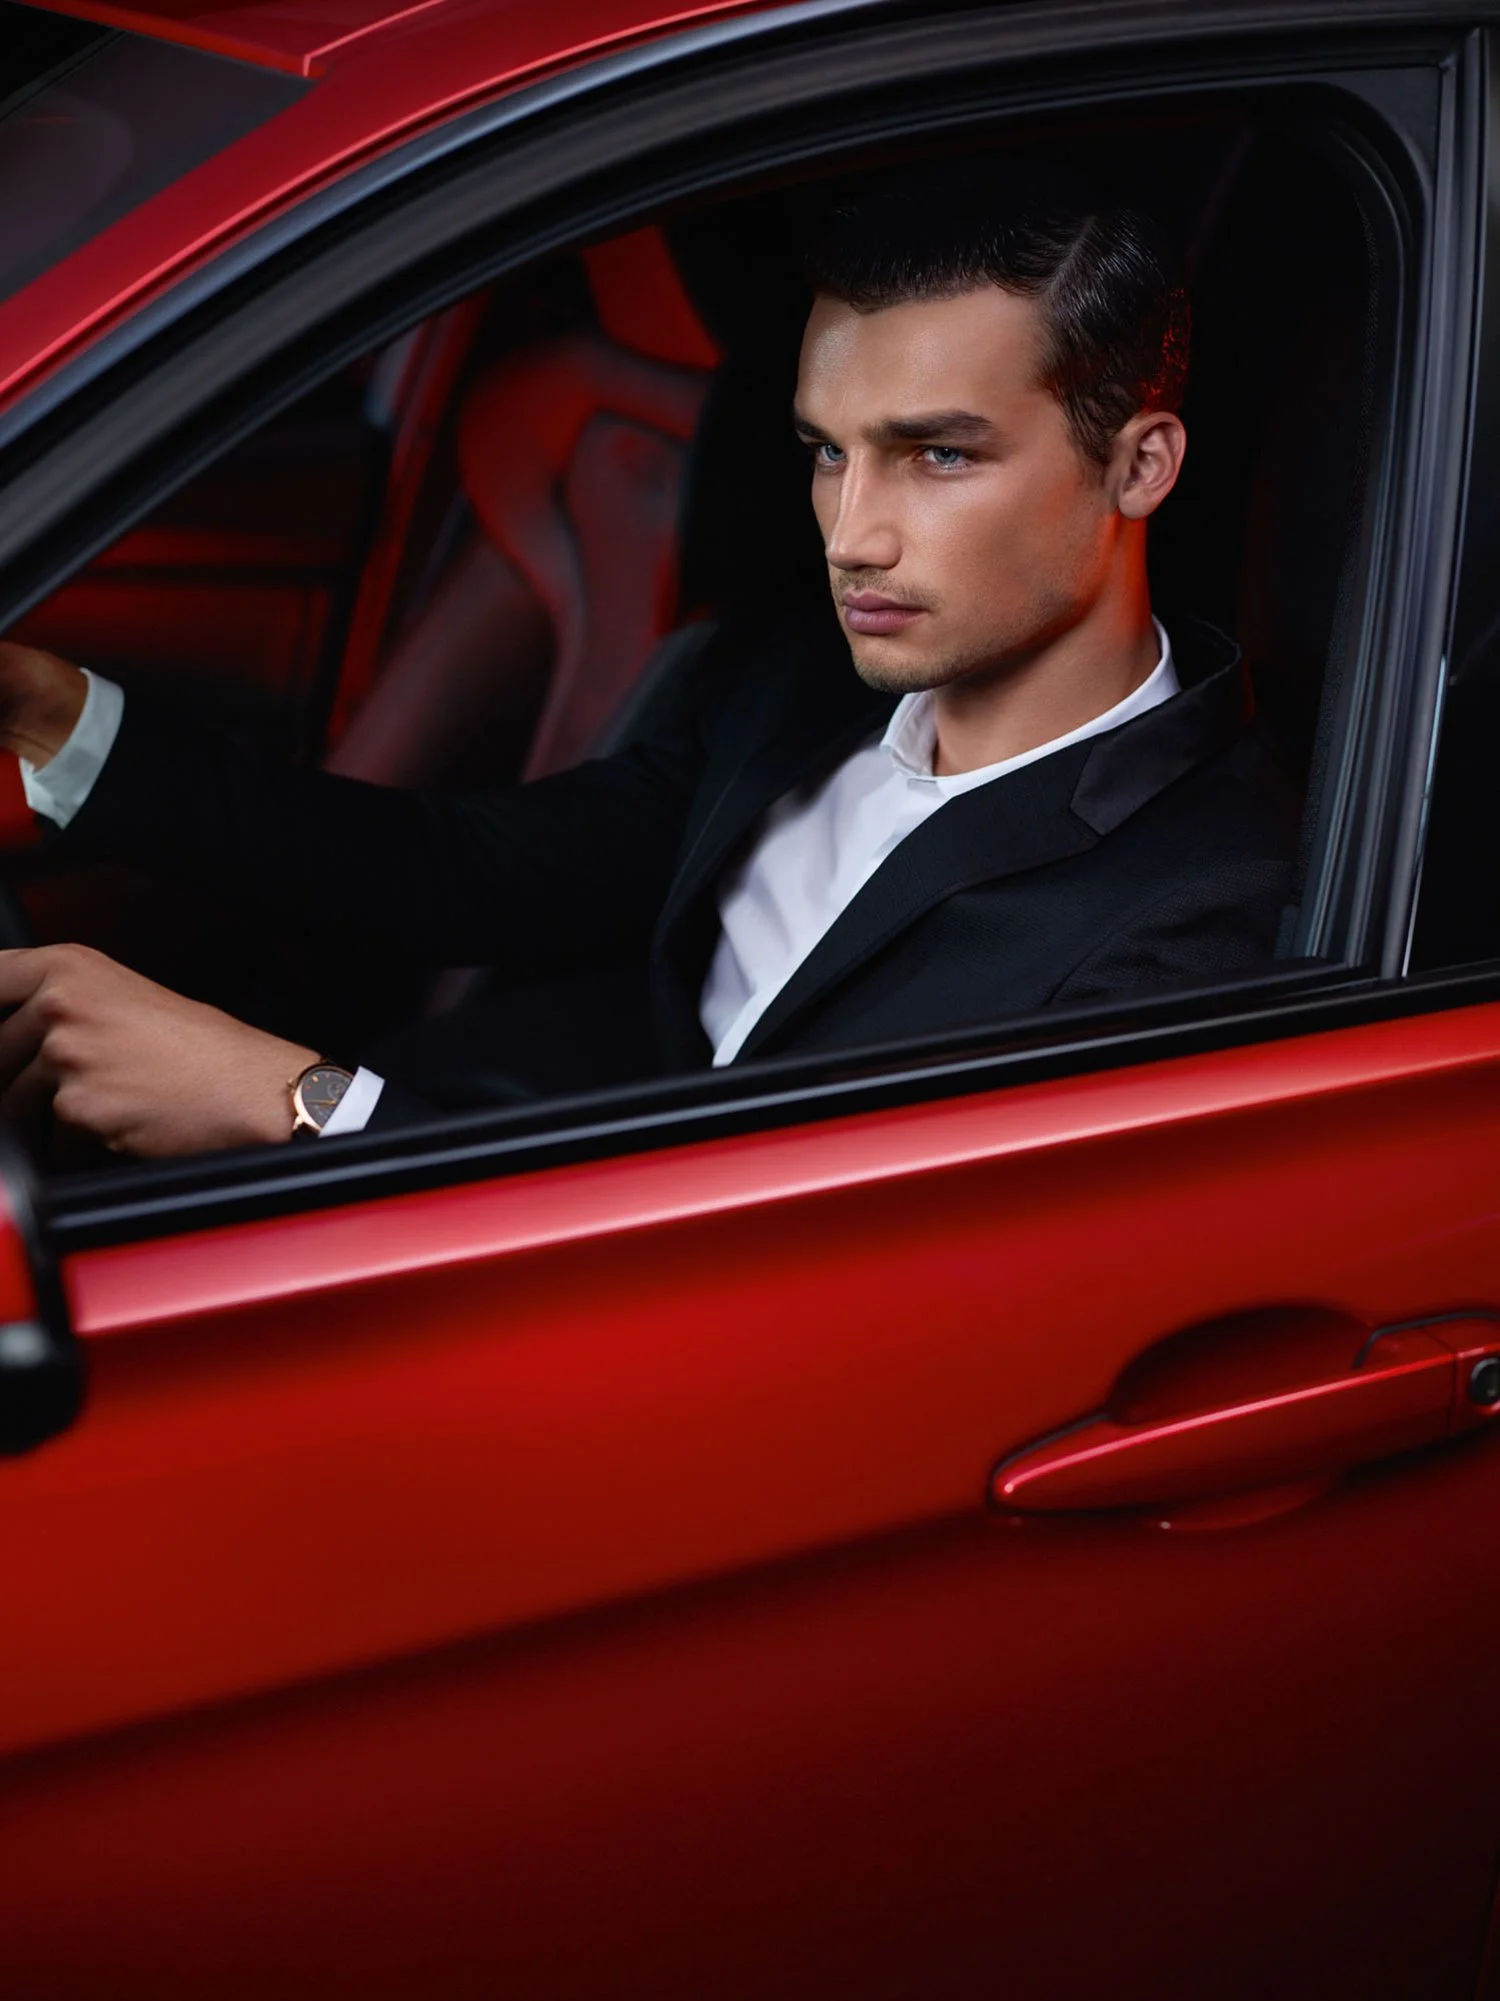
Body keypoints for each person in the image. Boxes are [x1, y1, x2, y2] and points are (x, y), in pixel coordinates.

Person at [0, 165, 1296, 1158]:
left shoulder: (1181, 931)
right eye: (828, 452)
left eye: (939, 455)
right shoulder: (810, 683)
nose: (852, 536)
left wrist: (303, 1104)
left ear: (1140, 465)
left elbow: (801, 1305)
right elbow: (469, 873)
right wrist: (62, 724)